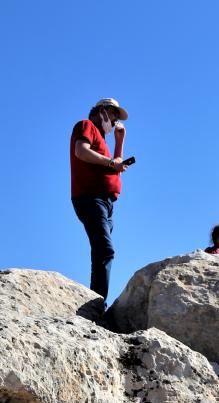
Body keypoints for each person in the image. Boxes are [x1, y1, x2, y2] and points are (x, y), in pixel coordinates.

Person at [70, 98, 130, 298]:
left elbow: (115, 169)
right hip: (90, 197)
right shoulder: (86, 125)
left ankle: (96, 300)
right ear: (102, 111)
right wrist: (111, 163)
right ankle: (96, 304)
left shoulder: (102, 141)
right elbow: (81, 151)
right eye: (113, 114)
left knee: (101, 251)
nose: (114, 121)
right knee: (105, 250)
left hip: (106, 202)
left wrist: (119, 142)